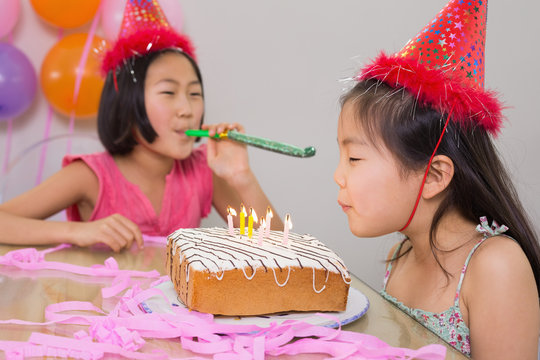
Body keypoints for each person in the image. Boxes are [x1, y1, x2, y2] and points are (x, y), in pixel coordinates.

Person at [333, 0, 540, 358]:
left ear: (433, 175)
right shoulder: (403, 254)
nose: (338, 175)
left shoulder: (495, 267)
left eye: (354, 158)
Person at [0, 1, 281, 252]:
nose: (187, 109)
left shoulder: (203, 171)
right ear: (127, 103)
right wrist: (76, 232)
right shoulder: (90, 176)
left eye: (195, 94)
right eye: (169, 93)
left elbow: (279, 251)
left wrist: (242, 178)